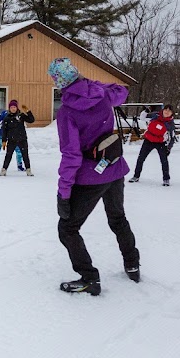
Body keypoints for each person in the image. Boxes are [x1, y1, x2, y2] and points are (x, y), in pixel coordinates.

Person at [49, 58, 139, 295]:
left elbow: (71, 155)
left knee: (67, 228)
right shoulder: (102, 94)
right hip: (114, 167)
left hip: (90, 177)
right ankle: (132, 264)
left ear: (59, 83)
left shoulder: (67, 111)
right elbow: (122, 91)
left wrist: (64, 192)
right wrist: (91, 84)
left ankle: (89, 277)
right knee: (118, 218)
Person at [128, 104, 176, 186]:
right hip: (148, 140)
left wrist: (169, 148)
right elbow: (142, 117)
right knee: (141, 158)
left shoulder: (170, 124)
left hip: (161, 143)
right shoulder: (155, 116)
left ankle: (166, 179)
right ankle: (136, 176)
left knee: (164, 161)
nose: (167, 112)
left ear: (172, 113)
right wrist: (146, 111)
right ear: (163, 110)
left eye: (169, 111)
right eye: (166, 110)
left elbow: (172, 137)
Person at [0, 100, 34, 176]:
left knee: (25, 155)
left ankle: (28, 170)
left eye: (14, 107)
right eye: (11, 107)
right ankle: (4, 170)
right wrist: (4, 141)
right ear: (9, 108)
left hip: (22, 139)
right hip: (12, 140)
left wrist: (28, 111)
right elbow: (5, 131)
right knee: (8, 155)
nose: (13, 109)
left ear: (17, 108)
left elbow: (31, 120)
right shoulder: (7, 118)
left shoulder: (21, 116)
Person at [0, 109, 24, 173]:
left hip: (12, 137)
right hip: (2, 135)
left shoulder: (18, 114)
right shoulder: (5, 113)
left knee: (18, 151)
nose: (13, 109)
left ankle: (19, 165)